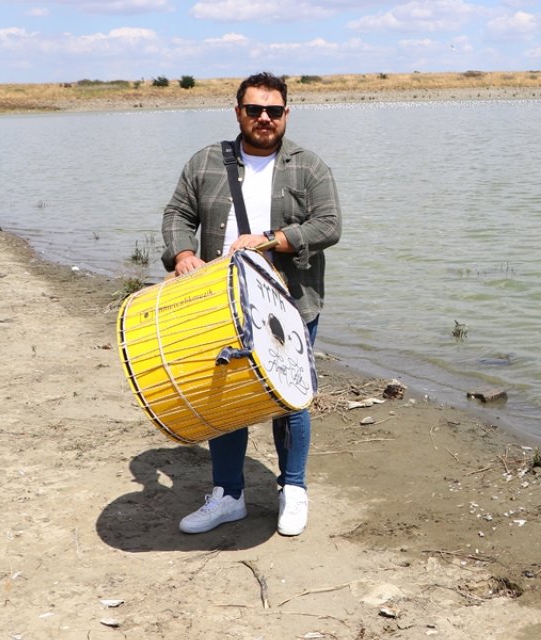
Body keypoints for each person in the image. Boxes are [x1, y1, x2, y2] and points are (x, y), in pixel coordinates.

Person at [161, 72, 342, 536]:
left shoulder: (310, 166)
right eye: (255, 109)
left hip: (291, 304)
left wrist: (272, 239)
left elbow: (329, 225)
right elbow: (178, 213)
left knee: (291, 400)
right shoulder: (205, 162)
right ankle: (228, 495)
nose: (264, 118)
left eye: (274, 111)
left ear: (287, 114)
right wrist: (183, 253)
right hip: (218, 302)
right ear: (238, 111)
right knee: (223, 396)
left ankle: (293, 490)